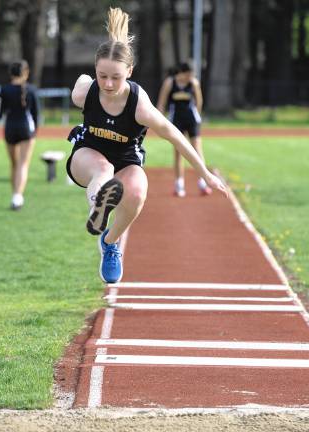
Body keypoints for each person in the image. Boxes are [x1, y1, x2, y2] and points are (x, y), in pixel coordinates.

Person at [66, 7, 227, 284]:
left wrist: (205, 174)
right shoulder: (85, 91)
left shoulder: (139, 105)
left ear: (129, 71)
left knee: (138, 193)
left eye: (115, 77)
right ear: (95, 70)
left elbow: (177, 136)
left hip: (127, 160)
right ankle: (97, 209)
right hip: (87, 155)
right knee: (102, 170)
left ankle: (110, 242)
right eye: (102, 75)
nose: (107, 83)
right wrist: (85, 81)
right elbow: (82, 83)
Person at [156, 61, 212, 197]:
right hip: (176, 121)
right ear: (181, 73)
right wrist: (158, 121)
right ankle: (179, 185)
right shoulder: (170, 83)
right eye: (188, 74)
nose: (190, 77)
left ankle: (203, 183)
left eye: (191, 75)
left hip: (191, 120)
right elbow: (161, 103)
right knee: (178, 152)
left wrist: (197, 116)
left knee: (197, 150)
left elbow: (199, 101)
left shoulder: (194, 83)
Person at [0, 60, 39, 211]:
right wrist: (34, 133)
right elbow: (36, 114)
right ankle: (17, 197)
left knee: (14, 164)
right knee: (23, 164)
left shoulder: (4, 89)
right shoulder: (32, 90)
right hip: (26, 129)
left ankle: (14, 195)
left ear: (11, 74)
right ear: (26, 73)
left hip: (9, 128)